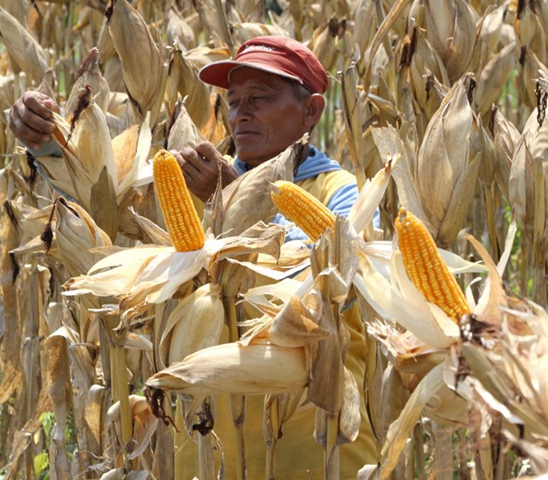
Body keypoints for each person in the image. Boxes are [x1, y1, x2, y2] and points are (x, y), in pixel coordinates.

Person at [10, 36, 379, 478]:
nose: (241, 112)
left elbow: (313, 288)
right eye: (233, 100)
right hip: (206, 448)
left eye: (260, 98)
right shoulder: (193, 181)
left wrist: (232, 199)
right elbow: (103, 212)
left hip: (308, 448)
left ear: (312, 111)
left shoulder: (341, 193)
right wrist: (50, 141)